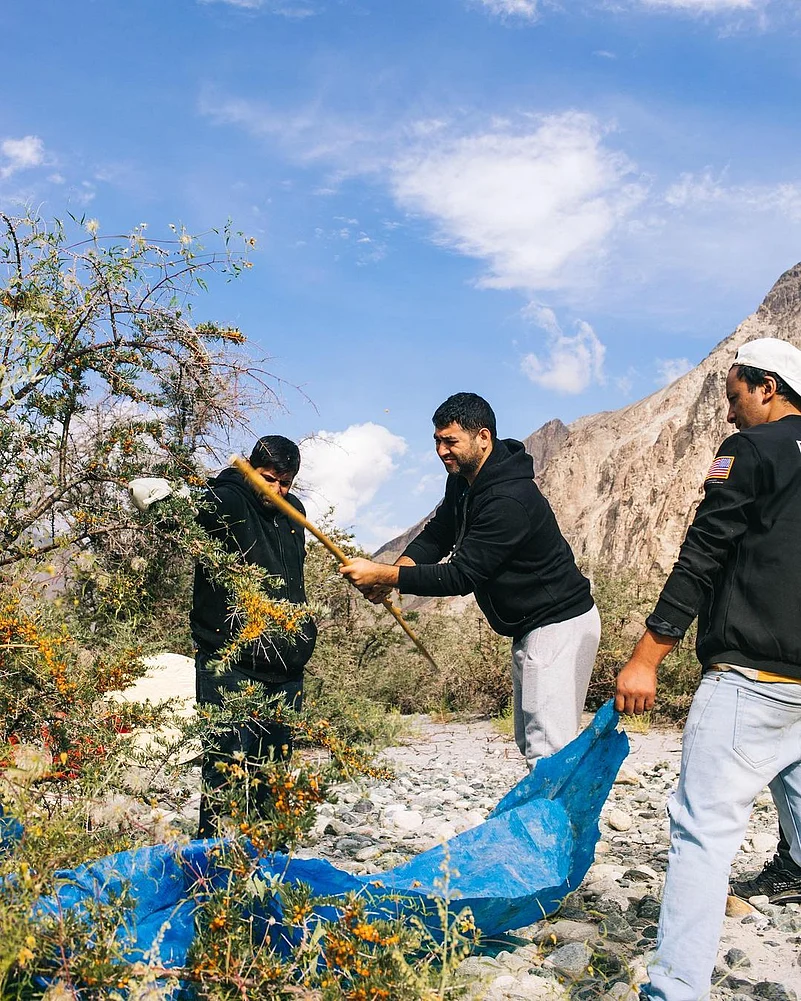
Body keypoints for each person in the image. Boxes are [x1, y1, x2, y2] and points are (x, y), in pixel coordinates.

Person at [614, 338, 801, 1001]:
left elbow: (703, 552)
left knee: (701, 833)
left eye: (733, 396)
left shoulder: (749, 450)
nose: (728, 413)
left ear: (766, 387)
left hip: (748, 681)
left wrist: (646, 657)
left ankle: (674, 990)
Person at [340, 392, 600, 768]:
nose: (441, 451)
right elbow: (439, 533)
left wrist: (382, 574)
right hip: (532, 625)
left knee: (548, 748)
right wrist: (394, 574)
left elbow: (461, 576)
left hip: (559, 624)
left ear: (483, 437)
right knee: (532, 740)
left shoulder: (509, 499)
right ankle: (555, 802)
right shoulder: (463, 481)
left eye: (450, 441)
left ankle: (561, 808)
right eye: (437, 441)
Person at [191, 435, 317, 837]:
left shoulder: (294, 512)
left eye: (285, 483)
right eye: (268, 479)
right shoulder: (227, 498)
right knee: (223, 768)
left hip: (286, 667)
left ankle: (267, 859)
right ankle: (210, 860)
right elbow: (193, 512)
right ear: (249, 470)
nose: (276, 491)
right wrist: (164, 501)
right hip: (230, 661)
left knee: (273, 773)